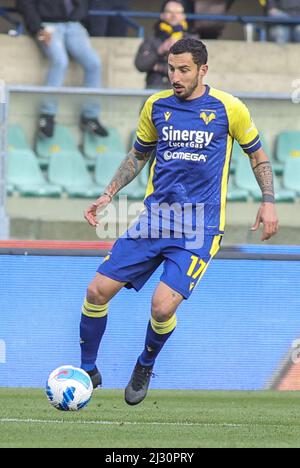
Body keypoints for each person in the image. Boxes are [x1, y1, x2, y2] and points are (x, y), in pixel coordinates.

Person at [81, 38, 278, 406]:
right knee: (95, 292)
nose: (175, 76)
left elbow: (259, 157)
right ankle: (87, 371)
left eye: (184, 69)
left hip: (199, 227)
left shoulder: (228, 107)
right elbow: (138, 155)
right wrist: (108, 193)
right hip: (155, 220)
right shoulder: (156, 106)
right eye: (172, 68)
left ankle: (144, 363)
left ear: (203, 70)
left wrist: (268, 202)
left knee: (162, 307)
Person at [17, 0, 108, 138]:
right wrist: (37, 28)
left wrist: (79, 14)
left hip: (74, 25)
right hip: (48, 25)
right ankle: (47, 114)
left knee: (94, 64)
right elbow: (25, 4)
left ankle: (90, 116)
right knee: (60, 61)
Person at [135, 0, 189, 90]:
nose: (174, 15)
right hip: (154, 92)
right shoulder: (151, 39)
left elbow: (193, 69)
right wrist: (159, 51)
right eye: (169, 12)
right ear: (162, 15)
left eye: (178, 12)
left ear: (183, 16)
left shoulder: (190, 39)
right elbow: (140, 65)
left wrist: (158, 67)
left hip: (181, 94)